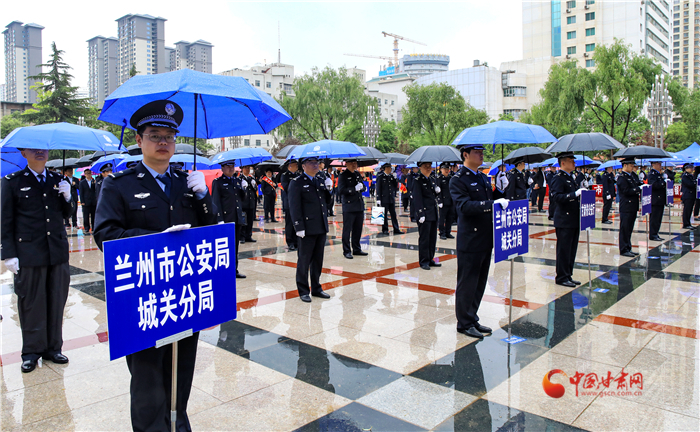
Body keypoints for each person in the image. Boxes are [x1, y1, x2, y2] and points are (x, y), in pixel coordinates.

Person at [93, 100, 217, 432]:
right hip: (143, 298)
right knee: (148, 380)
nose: (163, 142)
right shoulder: (119, 184)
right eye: (154, 135)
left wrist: (204, 197)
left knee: (181, 372)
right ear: (139, 140)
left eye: (169, 136)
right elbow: (105, 234)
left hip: (184, 295)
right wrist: (156, 240)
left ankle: (178, 424)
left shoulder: (185, 182)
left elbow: (212, 231)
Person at [1, 148, 74, 373]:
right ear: (24, 153)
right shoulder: (12, 182)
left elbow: (67, 214)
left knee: (56, 300)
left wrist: (68, 197)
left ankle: (53, 348)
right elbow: (5, 220)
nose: (40, 153)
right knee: (31, 303)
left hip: (56, 252)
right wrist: (8, 254)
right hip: (29, 252)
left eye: (43, 149)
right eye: (34, 150)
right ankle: (31, 352)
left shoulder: (57, 180)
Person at [450, 144, 507, 338]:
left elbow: (493, 199)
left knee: (480, 281)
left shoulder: (483, 177)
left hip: (485, 236)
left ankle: (472, 317)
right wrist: (492, 203)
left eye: (482, 152)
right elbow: (464, 206)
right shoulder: (458, 179)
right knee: (468, 282)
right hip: (470, 238)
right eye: (477, 152)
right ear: (465, 155)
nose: (481, 155)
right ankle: (464, 323)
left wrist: (501, 190)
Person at [288, 156, 333, 302]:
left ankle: (316, 287)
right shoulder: (297, 183)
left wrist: (329, 189)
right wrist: (298, 226)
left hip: (320, 226)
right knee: (304, 260)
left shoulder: (320, 180)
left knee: (318, 260)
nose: (315, 165)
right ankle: (303, 290)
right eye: (311, 163)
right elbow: (294, 207)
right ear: (303, 166)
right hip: (306, 228)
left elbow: (327, 203)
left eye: (316, 163)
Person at [550, 152, 586, 288]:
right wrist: (574, 194)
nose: (574, 163)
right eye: (571, 161)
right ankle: (561, 277)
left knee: (571, 249)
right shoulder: (558, 178)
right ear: (563, 163)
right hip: (564, 219)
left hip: (573, 218)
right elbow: (556, 197)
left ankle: (568, 274)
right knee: (564, 250)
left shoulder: (571, 177)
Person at [211, 160, 247, 279]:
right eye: (228, 166)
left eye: (232, 166)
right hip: (226, 219)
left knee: (235, 246)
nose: (231, 169)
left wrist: (244, 188)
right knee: (225, 247)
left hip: (236, 218)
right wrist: (219, 219)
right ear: (222, 168)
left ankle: (234, 270)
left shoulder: (237, 181)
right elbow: (216, 201)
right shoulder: (218, 182)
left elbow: (242, 200)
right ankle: (223, 270)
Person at [412, 161, 442, 270]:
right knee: (424, 239)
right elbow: (417, 198)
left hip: (433, 212)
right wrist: (420, 213)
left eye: (429, 166)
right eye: (426, 167)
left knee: (432, 238)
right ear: (420, 168)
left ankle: (430, 258)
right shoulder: (417, 181)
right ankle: (424, 261)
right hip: (424, 214)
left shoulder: (431, 179)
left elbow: (432, 196)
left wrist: (437, 191)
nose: (428, 168)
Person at [337, 159, 368, 259]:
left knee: (358, 229)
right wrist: (353, 189)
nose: (354, 165)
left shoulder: (357, 174)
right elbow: (341, 190)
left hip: (359, 205)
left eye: (355, 163)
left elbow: (363, 187)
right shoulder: (343, 175)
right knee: (347, 229)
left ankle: (356, 248)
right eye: (352, 163)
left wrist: (362, 187)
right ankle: (346, 250)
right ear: (346, 164)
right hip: (349, 206)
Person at [617, 158, 642, 257]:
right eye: (631, 166)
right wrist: (638, 189)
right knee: (625, 228)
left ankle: (628, 247)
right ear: (625, 165)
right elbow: (626, 191)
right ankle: (623, 249)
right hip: (626, 206)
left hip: (632, 206)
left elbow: (636, 185)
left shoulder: (631, 176)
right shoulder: (622, 178)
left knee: (629, 228)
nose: (632, 167)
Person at [375, 163, 403, 235]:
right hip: (384, 198)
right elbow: (378, 188)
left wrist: (395, 179)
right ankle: (385, 229)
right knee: (384, 215)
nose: (390, 169)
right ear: (386, 168)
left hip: (391, 198)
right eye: (389, 168)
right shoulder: (381, 176)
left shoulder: (391, 176)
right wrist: (378, 198)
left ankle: (396, 228)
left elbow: (394, 187)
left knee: (393, 214)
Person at [281, 160, 300, 251]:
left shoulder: (298, 175)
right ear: (290, 166)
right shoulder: (285, 176)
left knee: (297, 222)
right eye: (295, 165)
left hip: (297, 202)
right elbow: (286, 188)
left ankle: (296, 241)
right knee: (289, 223)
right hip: (289, 202)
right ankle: (290, 242)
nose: (297, 166)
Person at [648, 161, 666, 241]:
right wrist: (663, 183)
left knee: (658, 218)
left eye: (660, 164)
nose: (660, 165)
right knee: (654, 218)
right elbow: (654, 185)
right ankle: (653, 234)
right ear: (653, 164)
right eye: (658, 164)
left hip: (660, 199)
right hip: (655, 199)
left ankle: (656, 233)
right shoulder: (652, 174)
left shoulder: (659, 174)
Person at [437, 162, 455, 239]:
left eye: (448, 169)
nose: (447, 170)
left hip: (451, 201)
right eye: (445, 169)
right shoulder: (439, 178)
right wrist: (439, 201)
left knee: (450, 218)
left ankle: (448, 232)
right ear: (441, 169)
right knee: (442, 218)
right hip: (443, 201)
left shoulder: (451, 178)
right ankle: (442, 232)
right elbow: (438, 190)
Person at [240, 165, 258, 243]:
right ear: (242, 169)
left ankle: (249, 235)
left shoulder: (251, 179)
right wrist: (242, 187)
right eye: (245, 168)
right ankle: (242, 237)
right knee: (243, 221)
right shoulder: (240, 179)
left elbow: (254, 191)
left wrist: (254, 186)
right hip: (244, 203)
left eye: (248, 168)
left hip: (251, 203)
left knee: (250, 220)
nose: (247, 170)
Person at [79, 168, 97, 234]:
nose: (88, 175)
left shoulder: (93, 181)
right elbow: (81, 193)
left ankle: (94, 227)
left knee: (93, 215)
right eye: (87, 173)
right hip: (86, 201)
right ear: (85, 174)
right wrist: (82, 201)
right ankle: (86, 227)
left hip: (93, 201)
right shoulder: (82, 182)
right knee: (86, 215)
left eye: (89, 173)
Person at [681, 163, 697, 229]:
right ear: (687, 168)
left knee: (690, 210)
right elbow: (690, 184)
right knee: (687, 210)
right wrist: (695, 182)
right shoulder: (685, 176)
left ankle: (688, 223)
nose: (692, 169)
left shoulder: (691, 175)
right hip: (688, 195)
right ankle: (686, 224)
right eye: (691, 168)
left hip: (692, 195)